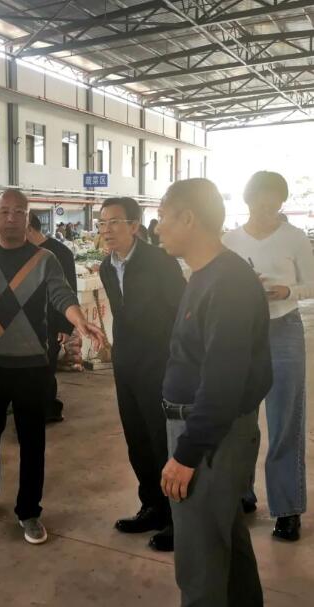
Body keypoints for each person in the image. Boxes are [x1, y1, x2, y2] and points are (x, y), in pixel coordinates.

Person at [0, 189, 103, 545]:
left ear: (28, 217)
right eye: (5, 211)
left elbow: (62, 295)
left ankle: (29, 510)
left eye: (19, 211)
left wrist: (78, 320)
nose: (12, 218)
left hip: (34, 367)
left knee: (33, 441)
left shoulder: (45, 259)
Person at [156, 178, 271, 606]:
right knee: (224, 540)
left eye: (163, 217)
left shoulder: (228, 282)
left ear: (188, 218)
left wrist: (187, 455)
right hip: (208, 433)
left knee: (200, 561)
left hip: (209, 439)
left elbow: (223, 380)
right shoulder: (206, 275)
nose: (158, 227)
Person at [223, 171, 314, 541]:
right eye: (260, 197)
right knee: (239, 421)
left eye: (274, 198)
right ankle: (242, 493)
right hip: (241, 332)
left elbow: (312, 282)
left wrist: (287, 290)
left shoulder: (295, 237)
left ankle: (287, 508)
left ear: (282, 201)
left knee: (285, 421)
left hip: (284, 331)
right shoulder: (230, 240)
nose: (266, 205)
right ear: (247, 199)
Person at [98, 197, 185, 552]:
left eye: (114, 222)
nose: (106, 230)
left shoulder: (160, 262)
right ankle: (152, 506)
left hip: (160, 362)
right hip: (126, 364)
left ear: (134, 226)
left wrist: (177, 361)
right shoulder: (106, 267)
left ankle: (178, 519)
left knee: (162, 438)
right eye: (102, 223)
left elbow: (181, 312)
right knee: (137, 438)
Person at [27, 212, 78, 423]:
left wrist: (65, 326)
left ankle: (46, 410)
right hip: (26, 322)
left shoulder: (60, 253)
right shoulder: (22, 252)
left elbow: (69, 290)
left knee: (46, 367)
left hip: (51, 321)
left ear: (29, 228)